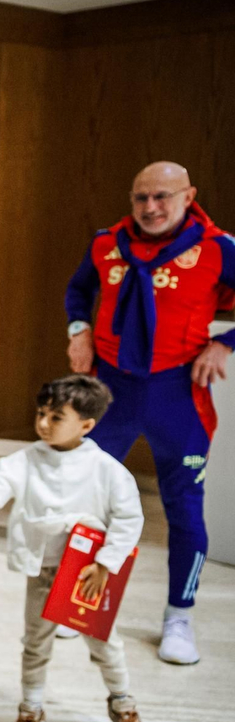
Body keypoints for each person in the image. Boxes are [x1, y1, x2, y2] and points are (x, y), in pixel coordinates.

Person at [64, 161, 235, 665]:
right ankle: (78, 602)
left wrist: (225, 343)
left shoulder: (218, 247)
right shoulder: (106, 242)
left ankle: (179, 617)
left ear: (189, 197)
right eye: (141, 197)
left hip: (178, 395)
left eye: (163, 196)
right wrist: (78, 329)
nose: (151, 207)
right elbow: (79, 290)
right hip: (110, 392)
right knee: (86, 499)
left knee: (184, 510)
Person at [0, 375, 147, 722]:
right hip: (45, 570)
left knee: (104, 642)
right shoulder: (25, 460)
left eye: (56, 417)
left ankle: (123, 704)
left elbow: (129, 518)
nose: (44, 423)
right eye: (41, 413)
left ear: (86, 425)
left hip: (88, 572)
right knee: (35, 642)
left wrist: (105, 563)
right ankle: (31, 710)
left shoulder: (107, 469)